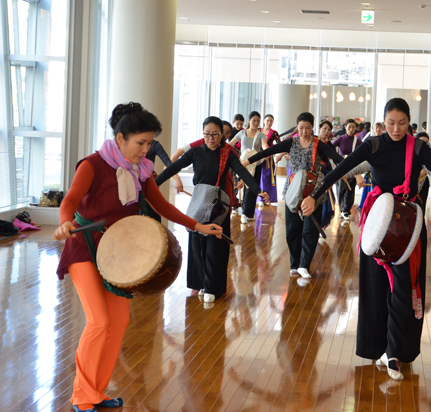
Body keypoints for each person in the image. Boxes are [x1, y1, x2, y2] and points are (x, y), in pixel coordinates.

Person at [53, 103, 222, 412]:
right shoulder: (92, 165)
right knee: (99, 321)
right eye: (140, 143)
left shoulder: (143, 171)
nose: (146, 149)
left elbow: (162, 206)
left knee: (117, 323)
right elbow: (71, 199)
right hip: (84, 247)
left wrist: (197, 225)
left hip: (120, 254)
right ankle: (82, 395)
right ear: (120, 139)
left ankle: (97, 392)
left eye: (149, 143)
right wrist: (65, 220)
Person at [301, 98, 431, 381]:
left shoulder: (417, 147)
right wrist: (314, 195)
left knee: (404, 288)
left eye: (402, 123)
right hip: (378, 222)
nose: (396, 128)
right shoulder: (374, 144)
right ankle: (378, 347)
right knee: (376, 287)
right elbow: (339, 171)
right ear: (383, 121)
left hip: (407, 226)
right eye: (391, 123)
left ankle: (395, 352)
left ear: (409, 122)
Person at [156, 116, 269, 303]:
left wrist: (258, 191)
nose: (211, 138)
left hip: (219, 206)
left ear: (222, 135)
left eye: (215, 135)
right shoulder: (195, 152)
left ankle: (212, 287)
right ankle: (200, 283)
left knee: (215, 247)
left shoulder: (228, 153)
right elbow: (172, 168)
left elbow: (242, 173)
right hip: (199, 203)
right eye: (207, 134)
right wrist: (154, 184)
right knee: (197, 243)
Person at [242, 112, 344, 279]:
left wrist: (355, 173)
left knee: (310, 231)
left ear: (313, 128)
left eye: (308, 128)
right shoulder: (291, 143)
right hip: (292, 192)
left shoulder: (319, 144)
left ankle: (304, 265)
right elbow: (268, 151)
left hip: (313, 193)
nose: (304, 131)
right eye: (301, 128)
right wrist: (247, 161)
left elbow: (338, 159)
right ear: (297, 128)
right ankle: (295, 264)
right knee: (292, 230)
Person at [228, 111, 269, 224]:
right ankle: (238, 208)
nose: (256, 123)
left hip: (256, 165)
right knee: (241, 186)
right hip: (243, 165)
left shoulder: (261, 135)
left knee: (251, 188)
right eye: (254, 120)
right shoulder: (242, 133)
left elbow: (265, 145)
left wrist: (267, 151)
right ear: (249, 121)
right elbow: (230, 145)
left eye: (258, 121)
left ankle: (247, 213)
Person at [332, 119, 363, 219]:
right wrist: (336, 159)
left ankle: (346, 210)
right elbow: (330, 148)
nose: (351, 129)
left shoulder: (357, 141)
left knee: (350, 190)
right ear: (345, 127)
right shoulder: (340, 139)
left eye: (353, 127)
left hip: (352, 169)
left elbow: (363, 152)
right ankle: (342, 209)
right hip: (341, 168)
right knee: (340, 189)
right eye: (349, 127)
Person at [258, 114, 280, 206]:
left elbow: (279, 144)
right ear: (263, 121)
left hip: (268, 159)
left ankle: (267, 199)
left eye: (271, 121)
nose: (269, 123)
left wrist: (271, 152)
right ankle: (259, 198)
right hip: (258, 158)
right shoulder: (258, 131)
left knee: (267, 178)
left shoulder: (274, 133)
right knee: (259, 177)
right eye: (267, 120)